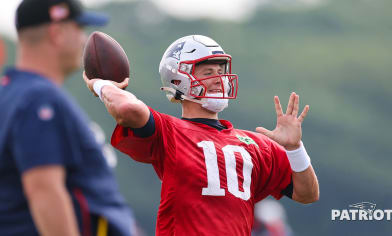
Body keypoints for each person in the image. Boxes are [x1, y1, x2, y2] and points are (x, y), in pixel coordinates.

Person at [83, 35, 319, 235]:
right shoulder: (170, 132)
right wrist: (102, 85)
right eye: (208, 72)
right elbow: (127, 109)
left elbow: (307, 194)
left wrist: (295, 149)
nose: (219, 79)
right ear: (179, 80)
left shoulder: (256, 144)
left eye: (220, 71)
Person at [0, 0, 135, 235]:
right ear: (57, 33)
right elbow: (44, 190)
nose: (83, 40)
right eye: (78, 29)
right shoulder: (39, 98)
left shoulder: (12, 93)